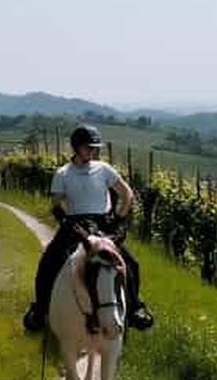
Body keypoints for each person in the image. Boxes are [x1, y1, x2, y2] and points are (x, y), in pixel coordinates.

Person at [23, 124, 154, 332]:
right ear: (77, 148)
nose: (92, 152)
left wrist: (118, 220)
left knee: (131, 263)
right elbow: (57, 203)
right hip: (75, 224)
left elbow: (127, 194)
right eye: (88, 148)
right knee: (48, 262)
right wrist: (65, 220)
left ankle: (135, 308)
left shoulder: (104, 169)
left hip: (104, 223)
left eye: (95, 148)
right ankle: (40, 310)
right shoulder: (63, 174)